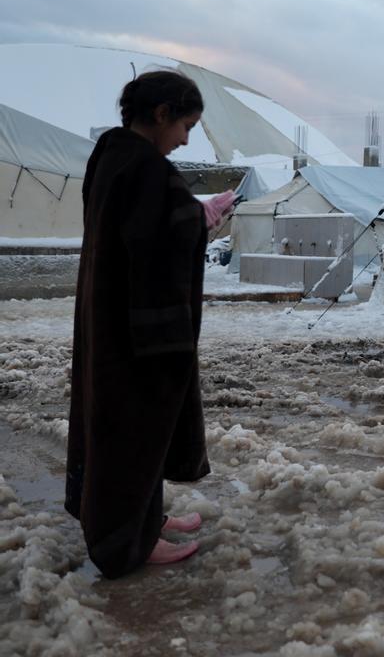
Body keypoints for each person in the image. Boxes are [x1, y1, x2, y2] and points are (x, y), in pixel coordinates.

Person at [65, 70, 237, 578]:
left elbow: (133, 232)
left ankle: (143, 520)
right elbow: (154, 244)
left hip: (111, 316)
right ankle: (126, 544)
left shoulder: (114, 157)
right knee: (133, 429)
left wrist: (187, 212)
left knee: (126, 426)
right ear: (161, 115)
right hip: (138, 331)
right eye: (185, 125)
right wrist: (199, 219)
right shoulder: (145, 169)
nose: (185, 139)